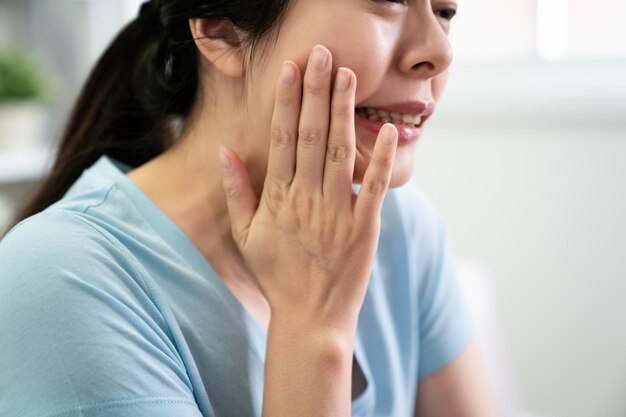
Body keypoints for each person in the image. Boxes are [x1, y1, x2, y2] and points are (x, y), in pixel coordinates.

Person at [0, 0, 496, 416]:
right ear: (219, 28)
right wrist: (312, 327)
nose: (439, 51)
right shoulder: (61, 282)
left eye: (445, 10)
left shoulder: (398, 226)